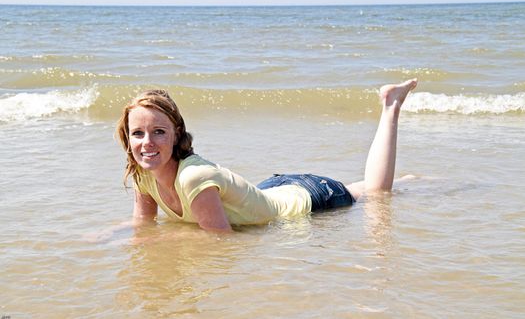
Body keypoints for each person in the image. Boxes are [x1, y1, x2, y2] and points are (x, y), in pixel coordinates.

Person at [115, 79, 418, 233]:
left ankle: (391, 106)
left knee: (377, 194)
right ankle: (414, 179)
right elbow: (143, 226)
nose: (147, 142)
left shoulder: (193, 177)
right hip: (269, 190)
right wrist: (104, 236)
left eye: (159, 132)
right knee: (368, 188)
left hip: (307, 198)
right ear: (127, 138)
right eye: (138, 133)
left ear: (177, 134)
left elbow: (220, 243)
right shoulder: (143, 174)